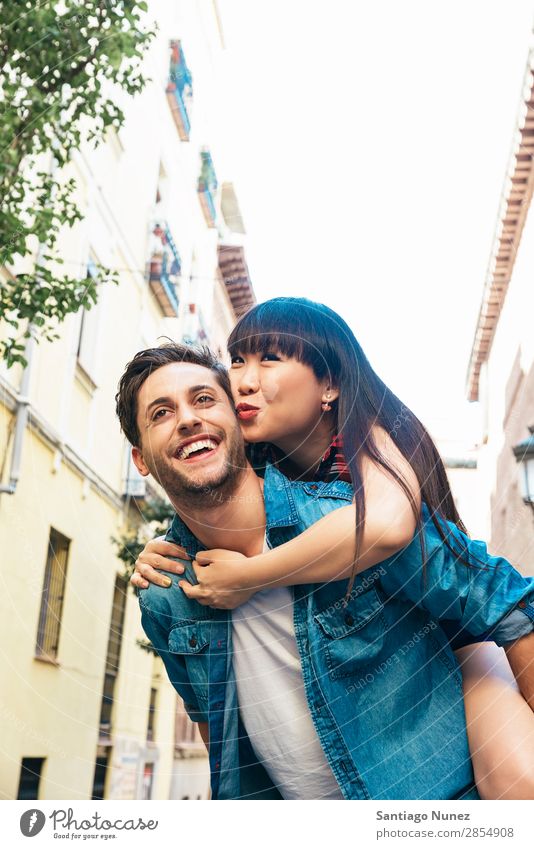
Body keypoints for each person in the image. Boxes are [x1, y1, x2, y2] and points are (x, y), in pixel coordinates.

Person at [133, 297, 534, 799]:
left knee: (518, 781)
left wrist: (247, 577)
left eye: (270, 359)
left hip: (460, 642)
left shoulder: (369, 441)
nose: (245, 380)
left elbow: (388, 527)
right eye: (237, 361)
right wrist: (166, 548)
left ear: (330, 385)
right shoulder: (252, 462)